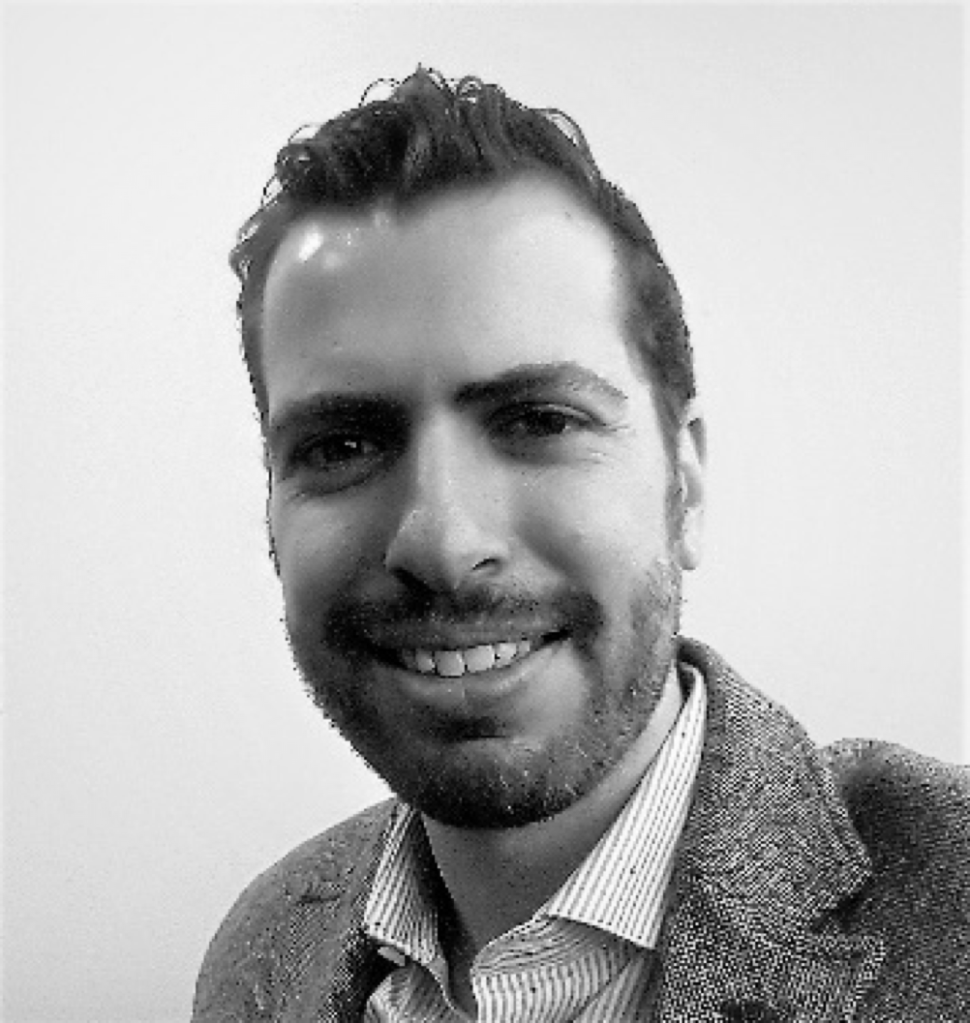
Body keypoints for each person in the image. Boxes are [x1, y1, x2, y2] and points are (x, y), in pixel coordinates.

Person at [192, 69, 968, 1022]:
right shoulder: (262, 949)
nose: (442, 541)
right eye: (342, 446)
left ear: (685, 482)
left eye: (539, 420)